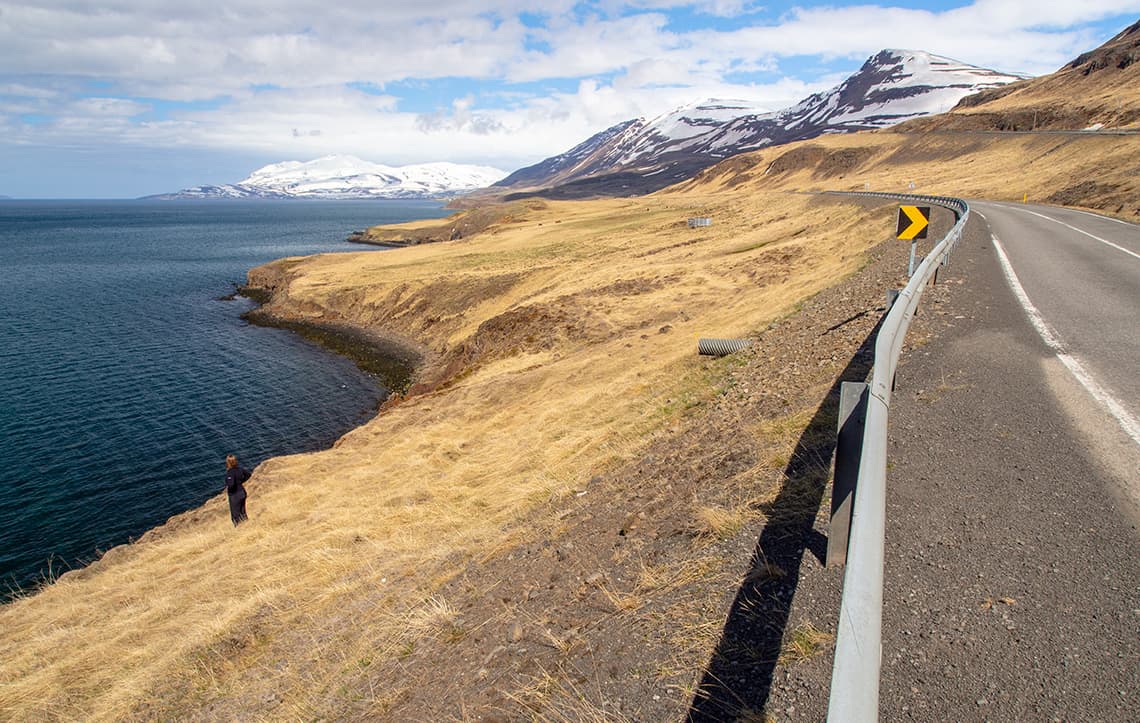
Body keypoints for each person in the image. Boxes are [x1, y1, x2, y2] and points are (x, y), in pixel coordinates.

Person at [224, 454, 251, 526]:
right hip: (242, 492)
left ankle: (239, 529)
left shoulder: (230, 473)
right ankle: (247, 526)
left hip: (235, 495)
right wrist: (241, 481)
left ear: (228, 463)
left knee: (235, 516)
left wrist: (229, 488)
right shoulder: (240, 469)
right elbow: (248, 475)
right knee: (243, 512)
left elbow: (231, 484)